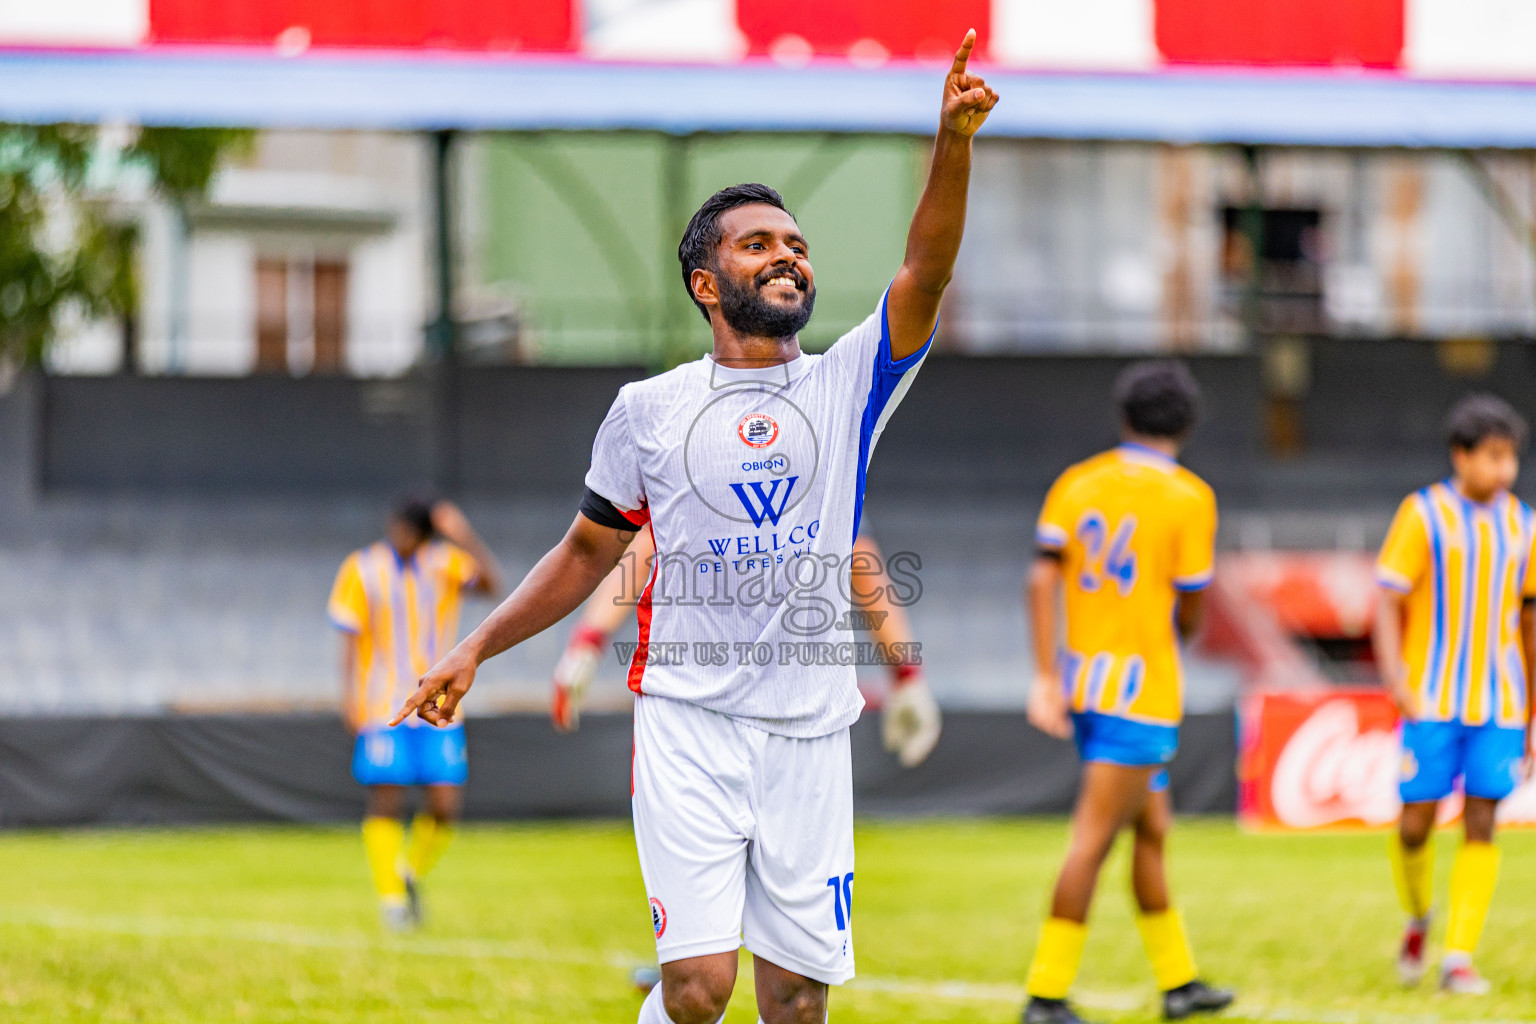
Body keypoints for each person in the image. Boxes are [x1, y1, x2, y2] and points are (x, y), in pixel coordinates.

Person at [391, 32, 996, 1024]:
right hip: (687, 723)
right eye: (759, 244)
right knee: (699, 988)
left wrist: (953, 142)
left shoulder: (849, 385)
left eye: (796, 244)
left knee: (796, 1003)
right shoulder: (649, 409)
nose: (787, 256)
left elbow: (924, 272)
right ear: (708, 285)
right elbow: (588, 550)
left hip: (811, 732)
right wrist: (475, 644)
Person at [1022, 361, 1234, 1024]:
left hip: (1087, 684)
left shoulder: (1078, 483)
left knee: (1151, 830)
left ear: (1124, 417)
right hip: (1138, 694)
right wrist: (1178, 627)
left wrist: (1046, 674)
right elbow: (1194, 606)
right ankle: (1045, 993)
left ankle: (1178, 983)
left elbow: (1040, 580)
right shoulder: (1190, 497)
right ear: (1188, 424)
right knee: (1093, 839)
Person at [1373, 393, 1536, 995]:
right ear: (1461, 456)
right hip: (1432, 698)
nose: (1505, 470)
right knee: (1415, 826)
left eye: (1511, 458)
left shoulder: (1524, 524)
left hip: (1500, 703)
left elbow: (1528, 620)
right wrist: (1395, 676)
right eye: (1493, 456)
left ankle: (1459, 957)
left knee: (1483, 822)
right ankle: (1419, 915)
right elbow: (1388, 596)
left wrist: (1532, 711)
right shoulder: (1423, 514)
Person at [551, 529, 941, 769]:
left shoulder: (809, 452)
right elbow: (649, 542)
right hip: (742, 706)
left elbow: (858, 553)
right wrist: (907, 676)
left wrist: (587, 643)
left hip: (749, 706)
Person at [327, 497, 503, 930]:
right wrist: (349, 698)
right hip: (382, 703)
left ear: (424, 536)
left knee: (444, 806)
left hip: (439, 704)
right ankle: (391, 900)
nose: (403, 538)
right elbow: (349, 637)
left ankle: (407, 872)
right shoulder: (362, 568)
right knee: (386, 798)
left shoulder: (445, 563)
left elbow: (492, 586)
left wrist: (463, 534)